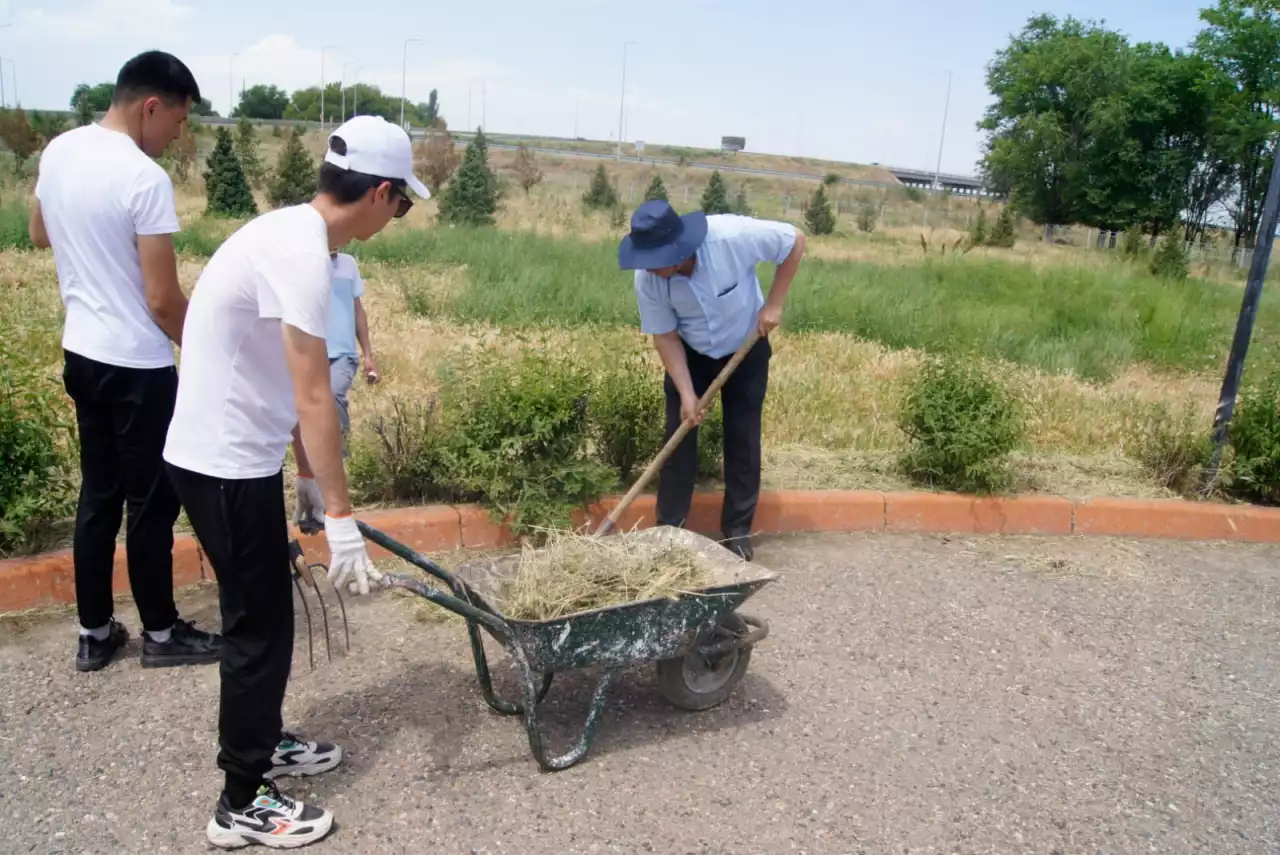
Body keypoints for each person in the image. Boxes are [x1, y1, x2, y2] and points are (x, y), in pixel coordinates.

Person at [160, 114, 429, 849]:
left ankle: (264, 734)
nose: (399, 216)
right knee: (260, 628)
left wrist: (309, 476)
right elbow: (314, 394)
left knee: (264, 609)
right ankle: (241, 800)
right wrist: (340, 519)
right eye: (402, 202)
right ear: (378, 193)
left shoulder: (292, 236)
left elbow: (281, 376)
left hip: (228, 456)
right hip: (223, 464)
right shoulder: (306, 257)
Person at [28, 50, 222, 672]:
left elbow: (39, 232)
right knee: (152, 503)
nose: (178, 134)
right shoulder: (144, 178)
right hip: (137, 365)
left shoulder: (60, 151)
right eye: (179, 120)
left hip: (81, 352)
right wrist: (215, 351)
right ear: (150, 106)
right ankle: (161, 635)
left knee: (98, 495)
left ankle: (94, 632)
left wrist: (90, 249)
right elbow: (163, 301)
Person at [617, 199, 806, 562]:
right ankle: (670, 531)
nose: (650, 269)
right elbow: (665, 335)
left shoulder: (731, 238)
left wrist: (775, 304)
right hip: (690, 353)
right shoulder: (649, 281)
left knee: (743, 437)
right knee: (679, 435)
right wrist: (688, 393)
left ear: (679, 250)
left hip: (746, 346)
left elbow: (794, 240)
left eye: (657, 261)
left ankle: (737, 530)